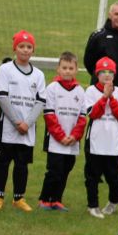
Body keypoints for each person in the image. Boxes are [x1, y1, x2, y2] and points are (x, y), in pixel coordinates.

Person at [0, 31, 46, 212]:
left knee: (22, 164)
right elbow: (2, 97)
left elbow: (40, 101)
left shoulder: (38, 74)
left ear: (33, 49)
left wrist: (27, 123)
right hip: (8, 126)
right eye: (21, 46)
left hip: (27, 128)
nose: (25, 50)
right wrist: (17, 122)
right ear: (15, 48)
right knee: (2, 163)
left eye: (29, 47)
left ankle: (19, 198)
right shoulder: (5, 69)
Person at [37, 52, 89, 212]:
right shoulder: (52, 88)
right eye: (64, 68)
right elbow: (49, 115)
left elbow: (82, 116)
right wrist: (60, 136)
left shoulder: (80, 91)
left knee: (66, 169)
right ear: (58, 69)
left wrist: (74, 136)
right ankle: (45, 199)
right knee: (54, 170)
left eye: (71, 68)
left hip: (72, 141)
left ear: (76, 70)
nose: (67, 71)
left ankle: (57, 200)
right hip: (55, 140)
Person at [83, 58, 118, 218]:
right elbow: (93, 114)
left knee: (113, 176)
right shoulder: (90, 91)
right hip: (95, 141)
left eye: (110, 72)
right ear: (97, 74)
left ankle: (113, 202)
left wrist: (111, 97)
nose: (107, 75)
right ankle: (92, 205)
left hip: (112, 142)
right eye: (103, 72)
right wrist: (103, 97)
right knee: (92, 175)